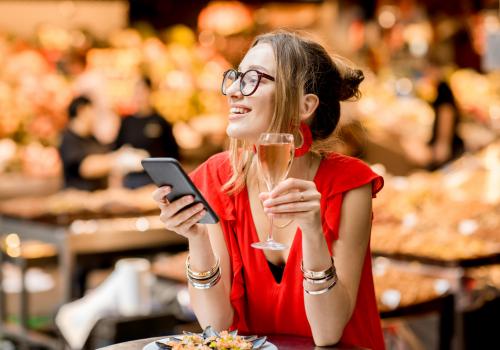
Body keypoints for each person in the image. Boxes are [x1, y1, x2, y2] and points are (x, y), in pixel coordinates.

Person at [152, 30, 385, 349]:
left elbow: (327, 332)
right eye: (235, 77)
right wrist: (197, 237)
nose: (233, 90)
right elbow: (214, 325)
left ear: (305, 105)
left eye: (254, 78)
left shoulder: (349, 184)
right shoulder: (218, 178)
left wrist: (313, 235)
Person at [115, 76, 180, 188]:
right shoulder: (127, 121)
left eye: (142, 92)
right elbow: (117, 148)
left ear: (150, 93)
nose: (139, 97)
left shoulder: (160, 121)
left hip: (156, 179)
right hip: (131, 177)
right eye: (136, 92)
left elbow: (174, 154)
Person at [58, 95, 113, 191]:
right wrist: (116, 161)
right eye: (92, 111)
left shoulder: (92, 138)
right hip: (78, 198)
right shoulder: (68, 139)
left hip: (99, 196)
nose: (95, 116)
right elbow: (85, 168)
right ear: (81, 111)